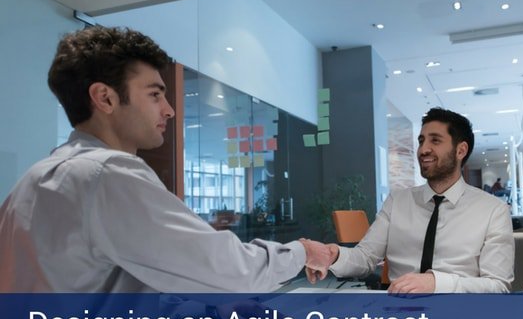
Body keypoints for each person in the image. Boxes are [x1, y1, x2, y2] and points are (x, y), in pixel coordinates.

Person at [0, 26, 333, 292]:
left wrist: (202, 310)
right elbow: (231, 272)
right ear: (105, 98)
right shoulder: (106, 174)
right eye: (155, 95)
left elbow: (105, 291)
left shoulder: (34, 180)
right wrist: (304, 252)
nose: (169, 110)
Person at [309, 108, 514, 293]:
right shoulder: (397, 201)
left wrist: (436, 283)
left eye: (435, 140)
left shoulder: (493, 210)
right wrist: (333, 255)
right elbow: (366, 257)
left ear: (460, 151)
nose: (423, 149)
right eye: (421, 140)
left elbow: (497, 285)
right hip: (399, 314)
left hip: (459, 314)